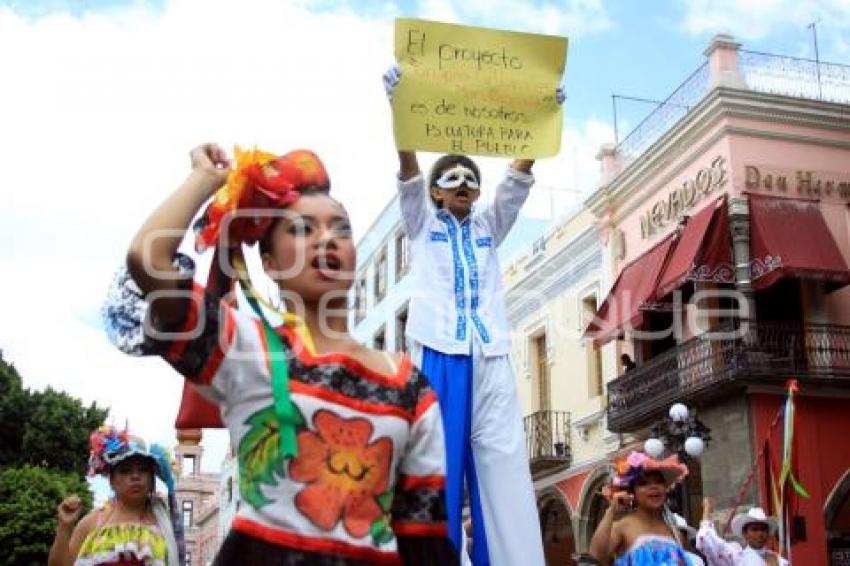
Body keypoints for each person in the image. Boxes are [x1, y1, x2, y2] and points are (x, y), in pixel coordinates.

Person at [109, 144, 457, 565]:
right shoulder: (245, 348)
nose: (325, 238)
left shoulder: (409, 385)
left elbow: (424, 538)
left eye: (340, 229)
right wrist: (204, 180)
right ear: (270, 263)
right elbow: (149, 261)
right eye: (302, 229)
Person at [384, 64, 563, 566]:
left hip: (490, 352)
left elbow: (517, 178)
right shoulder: (421, 225)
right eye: (451, 179)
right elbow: (407, 174)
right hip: (438, 351)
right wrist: (401, 110)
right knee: (435, 464)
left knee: (503, 463)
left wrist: (544, 114)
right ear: (437, 191)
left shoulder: (489, 225)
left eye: (471, 180)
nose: (463, 184)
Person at [48, 426, 183, 566]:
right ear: (112, 480)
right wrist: (65, 526)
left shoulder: (166, 523)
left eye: (143, 470)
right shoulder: (92, 522)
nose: (135, 476)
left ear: (152, 479)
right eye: (125, 471)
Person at [588, 450, 694, 565]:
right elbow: (596, 556)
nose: (653, 487)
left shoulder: (676, 533)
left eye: (659, 482)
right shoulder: (622, 527)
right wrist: (611, 511)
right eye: (644, 483)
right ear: (632, 492)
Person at [696, 499, 788, 566]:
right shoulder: (736, 555)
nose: (760, 534)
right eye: (754, 530)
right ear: (744, 533)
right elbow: (705, 539)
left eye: (763, 529)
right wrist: (707, 510)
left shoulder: (778, 559)